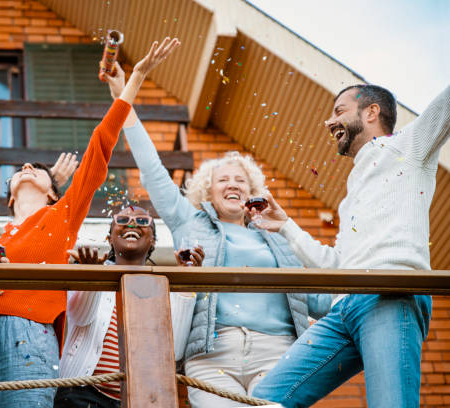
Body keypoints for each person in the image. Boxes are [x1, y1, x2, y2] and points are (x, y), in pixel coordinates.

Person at [0, 37, 181, 408]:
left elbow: (99, 146)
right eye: (20, 170)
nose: (27, 167)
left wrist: (135, 79)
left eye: (39, 170)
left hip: (26, 336)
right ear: (10, 195)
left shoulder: (60, 216)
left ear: (53, 192)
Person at [106, 64, 332, 407]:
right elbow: (152, 169)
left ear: (250, 191)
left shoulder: (276, 235)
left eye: (240, 180)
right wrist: (125, 96)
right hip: (212, 355)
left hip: (276, 351)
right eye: (223, 179)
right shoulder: (190, 221)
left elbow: (317, 298)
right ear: (207, 191)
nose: (232, 184)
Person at [251, 84, 450, 407]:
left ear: (371, 112)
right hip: (343, 308)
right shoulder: (352, 194)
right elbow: (336, 266)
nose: (329, 121)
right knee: (266, 398)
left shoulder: (409, 145)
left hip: (389, 294)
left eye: (339, 110)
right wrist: (286, 226)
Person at [54, 206, 203, 408]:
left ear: (153, 241)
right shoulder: (92, 268)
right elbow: (80, 317)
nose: (132, 224)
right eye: (122, 219)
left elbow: (173, 350)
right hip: (82, 393)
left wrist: (187, 281)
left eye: (142, 221)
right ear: (109, 239)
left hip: (142, 398)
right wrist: (91, 278)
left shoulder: (162, 287)